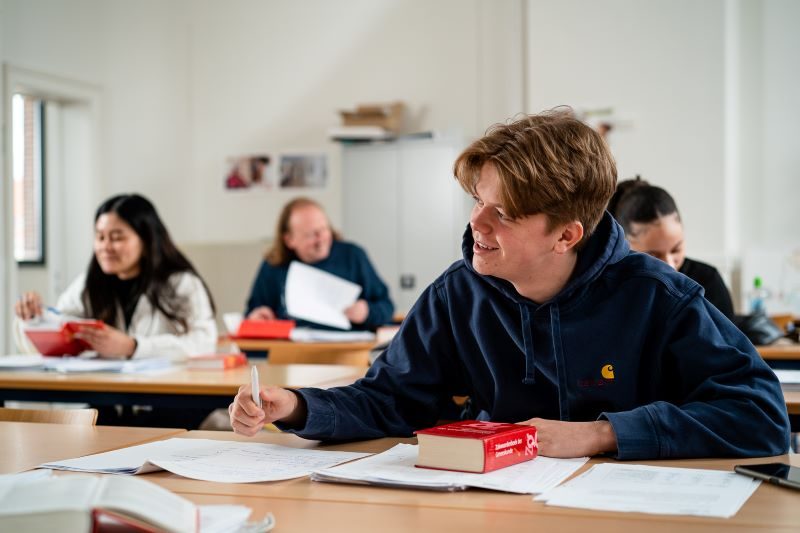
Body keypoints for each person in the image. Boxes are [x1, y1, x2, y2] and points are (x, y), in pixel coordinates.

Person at [229, 110, 789, 460]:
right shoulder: (458, 294)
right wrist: (298, 406)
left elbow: (761, 415)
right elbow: (391, 398)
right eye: (477, 201)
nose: (477, 224)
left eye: (503, 213)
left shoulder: (659, 298)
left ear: (565, 235)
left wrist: (602, 435)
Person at [245, 197, 393, 331]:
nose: (321, 239)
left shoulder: (353, 256)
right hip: (290, 351)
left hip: (345, 350)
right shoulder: (274, 265)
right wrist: (257, 317)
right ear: (289, 240)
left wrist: (367, 312)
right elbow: (251, 314)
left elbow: (387, 306)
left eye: (324, 230)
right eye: (311, 235)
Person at [608, 178, 735, 321]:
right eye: (654, 256)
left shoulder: (708, 280)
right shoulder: (611, 289)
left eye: (676, 249)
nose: (670, 265)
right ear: (624, 245)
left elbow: (729, 341)